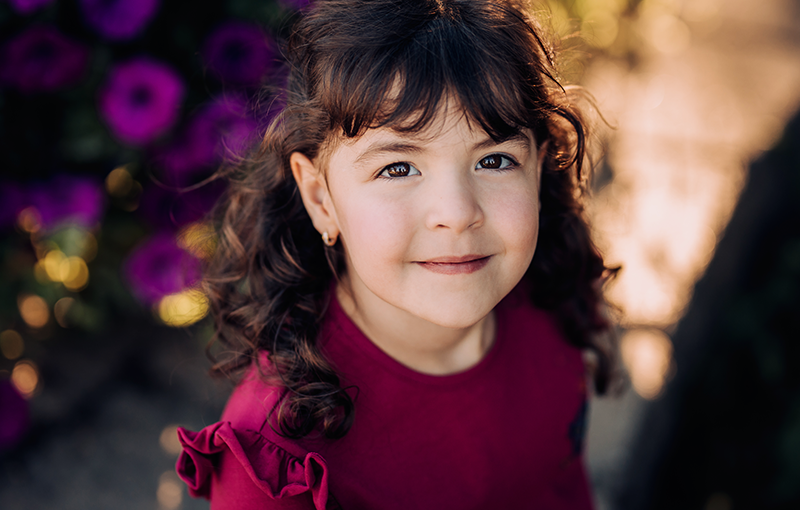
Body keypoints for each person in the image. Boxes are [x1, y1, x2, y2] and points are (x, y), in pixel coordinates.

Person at [176, 0, 618, 508]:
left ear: (538, 172)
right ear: (321, 199)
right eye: (398, 168)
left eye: (495, 160)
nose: (456, 213)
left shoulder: (554, 303)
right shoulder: (280, 457)